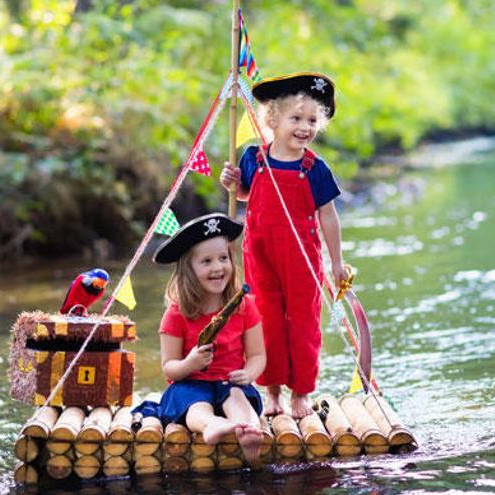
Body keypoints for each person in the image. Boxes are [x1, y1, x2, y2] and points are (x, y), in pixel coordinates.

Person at [220, 72, 347, 419]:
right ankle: (272, 390)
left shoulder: (315, 168)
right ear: (273, 120)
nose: (304, 127)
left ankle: (301, 393)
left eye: (311, 120)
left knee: (304, 323)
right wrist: (231, 182)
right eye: (296, 118)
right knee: (266, 320)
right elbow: (247, 193)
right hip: (260, 252)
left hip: (302, 255)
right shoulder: (253, 157)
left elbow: (329, 216)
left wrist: (336, 264)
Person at [135, 213, 265, 463]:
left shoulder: (244, 306)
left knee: (237, 394)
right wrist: (190, 364)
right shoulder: (176, 314)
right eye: (206, 261)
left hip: (231, 383)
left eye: (223, 258)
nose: (218, 267)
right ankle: (211, 424)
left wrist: (249, 373)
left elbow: (258, 355)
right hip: (191, 385)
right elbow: (170, 368)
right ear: (189, 269)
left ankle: (249, 431)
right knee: (193, 402)